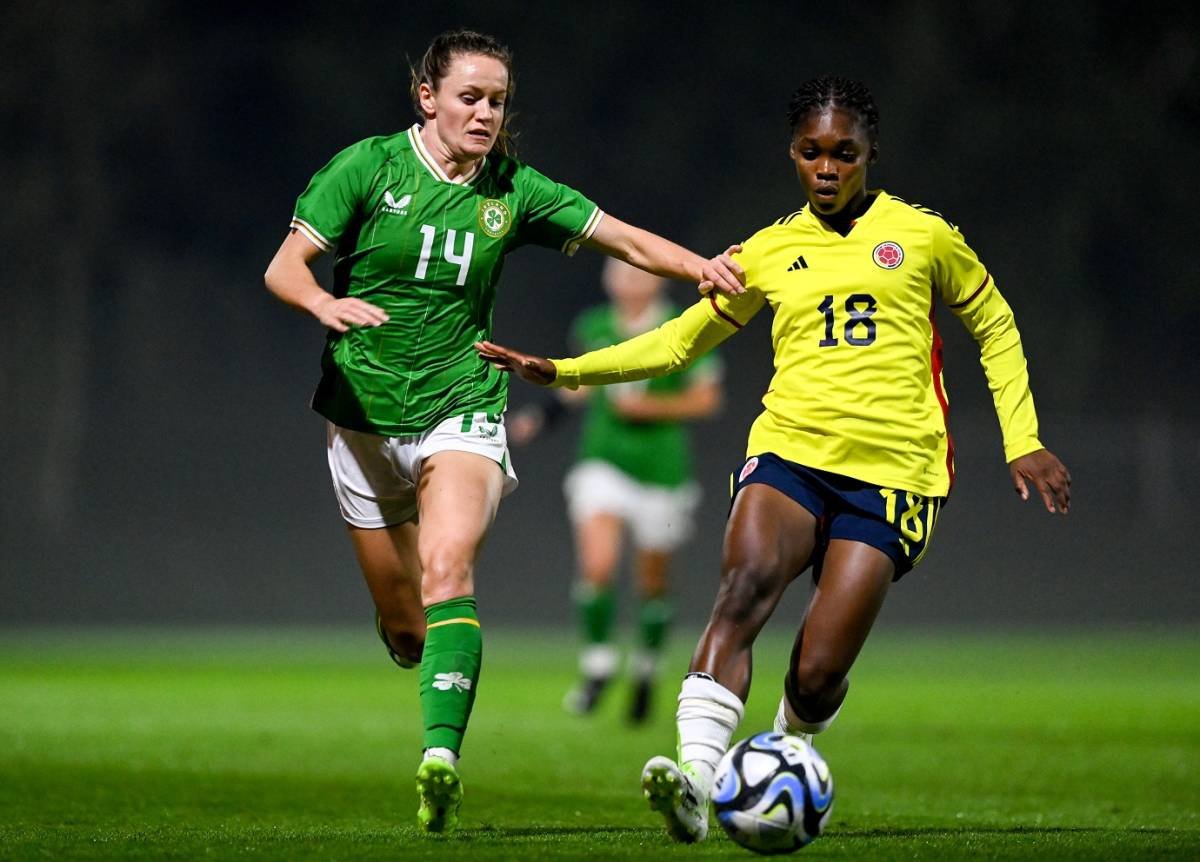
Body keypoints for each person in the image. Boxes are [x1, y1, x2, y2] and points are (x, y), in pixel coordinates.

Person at [476, 76, 1071, 844]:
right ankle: (693, 782)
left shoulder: (923, 236)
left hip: (895, 474)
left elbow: (993, 320)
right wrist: (567, 370)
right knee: (744, 586)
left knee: (819, 672)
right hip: (790, 452)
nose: (826, 168)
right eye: (811, 152)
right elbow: (680, 340)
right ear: (793, 153)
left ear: (869, 155)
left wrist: (1022, 438)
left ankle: (788, 756)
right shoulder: (766, 250)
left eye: (843, 154)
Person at [262, 28, 743, 835]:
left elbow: (618, 235)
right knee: (409, 629)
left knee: (449, 566)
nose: (486, 115)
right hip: (360, 417)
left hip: (463, 400)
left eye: (497, 102)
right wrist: (323, 304)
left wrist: (702, 268)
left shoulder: (513, 189)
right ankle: (424, 660)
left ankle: (441, 760)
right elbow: (285, 266)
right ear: (429, 97)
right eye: (470, 98)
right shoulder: (369, 167)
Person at [508, 258, 723, 724]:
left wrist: (652, 408)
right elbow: (579, 386)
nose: (627, 282)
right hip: (603, 460)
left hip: (663, 470)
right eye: (620, 274)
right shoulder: (596, 324)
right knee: (598, 564)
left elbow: (707, 398)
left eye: (637, 274)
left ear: (655, 281)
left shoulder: (687, 324)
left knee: (652, 581)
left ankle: (646, 669)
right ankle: (598, 665)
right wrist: (539, 418)